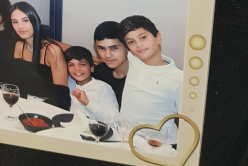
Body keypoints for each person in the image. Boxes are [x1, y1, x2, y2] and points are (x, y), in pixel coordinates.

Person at [118, 15, 183, 145]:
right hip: (124, 139)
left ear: (158, 37)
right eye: (131, 42)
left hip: (159, 145)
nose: (138, 45)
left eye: (143, 37)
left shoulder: (179, 79)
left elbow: (190, 121)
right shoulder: (133, 59)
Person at [9, 2, 70, 110]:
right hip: (24, 104)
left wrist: (36, 109)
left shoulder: (52, 51)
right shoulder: (19, 46)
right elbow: (17, 82)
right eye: (15, 22)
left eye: (25, 20)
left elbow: (61, 96)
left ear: (35, 20)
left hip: (49, 107)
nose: (20, 26)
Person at [65, 46, 119, 123]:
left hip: (95, 129)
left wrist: (87, 102)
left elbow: (115, 119)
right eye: (71, 65)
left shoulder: (102, 87)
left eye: (82, 64)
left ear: (92, 68)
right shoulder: (69, 83)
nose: (77, 68)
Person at [92, 21, 130, 105]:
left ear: (127, 47)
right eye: (101, 48)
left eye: (114, 48)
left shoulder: (141, 77)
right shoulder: (99, 72)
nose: (107, 55)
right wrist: (96, 60)